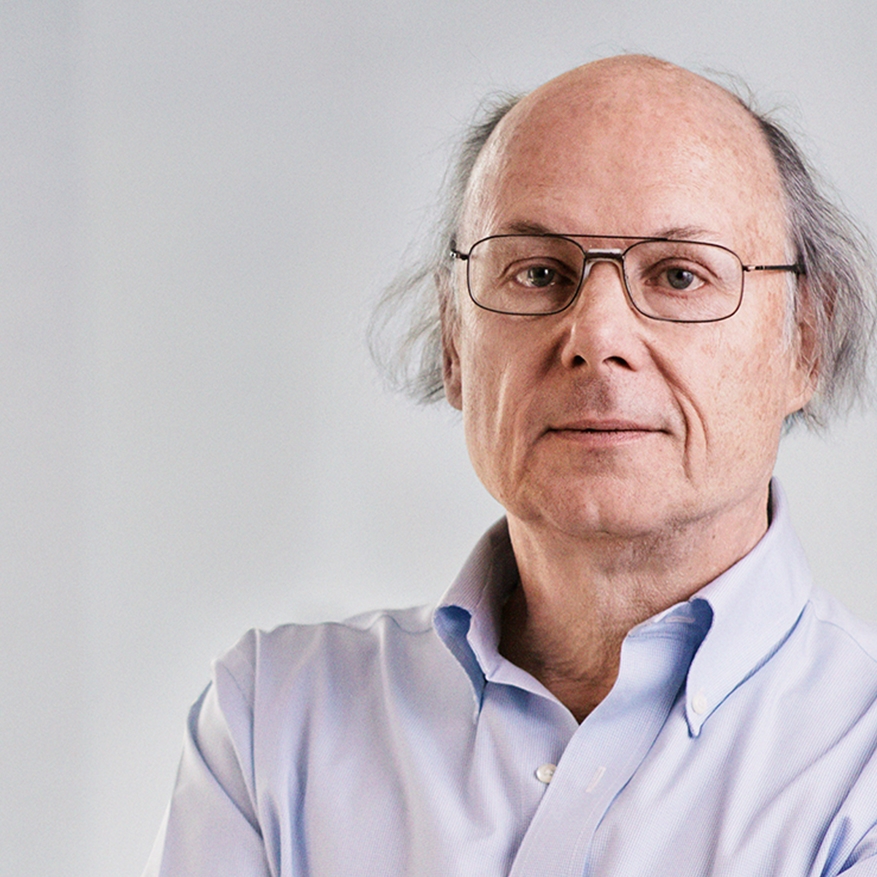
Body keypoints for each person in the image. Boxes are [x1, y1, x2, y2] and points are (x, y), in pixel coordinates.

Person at [144, 55, 877, 876]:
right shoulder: (272, 724)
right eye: (536, 273)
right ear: (454, 341)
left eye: (678, 275)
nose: (596, 335)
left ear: (806, 341)